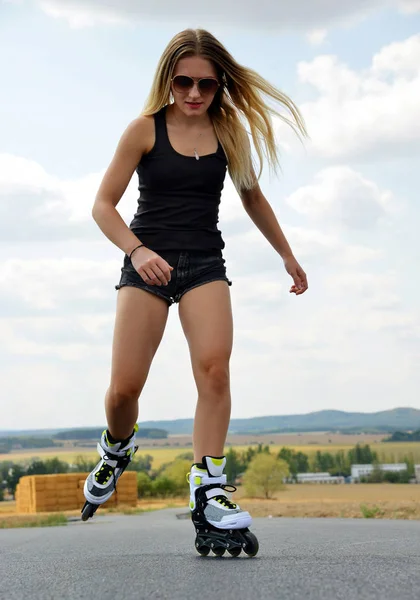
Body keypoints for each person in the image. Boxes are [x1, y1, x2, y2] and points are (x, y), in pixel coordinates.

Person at [83, 28, 308, 534]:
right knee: (123, 391)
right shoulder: (143, 129)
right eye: (183, 81)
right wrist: (137, 251)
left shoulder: (231, 133)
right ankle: (116, 448)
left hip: (206, 264)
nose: (193, 94)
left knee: (214, 371)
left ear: (220, 86)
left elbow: (251, 197)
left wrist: (288, 256)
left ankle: (208, 488)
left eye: (205, 85)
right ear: (168, 79)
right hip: (145, 266)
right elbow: (103, 206)